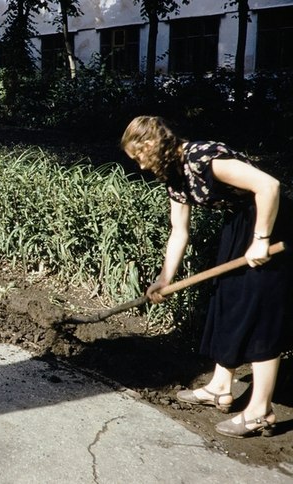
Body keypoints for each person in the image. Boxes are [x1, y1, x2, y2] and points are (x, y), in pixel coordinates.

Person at [121, 115, 292, 439]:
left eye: (139, 156)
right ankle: (220, 387)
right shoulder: (173, 176)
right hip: (239, 226)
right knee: (225, 300)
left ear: (149, 145)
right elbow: (178, 232)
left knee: (259, 314)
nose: (141, 166)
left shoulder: (203, 158)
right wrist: (164, 279)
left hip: (271, 223)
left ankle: (260, 411)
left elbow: (269, 186)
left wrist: (261, 239)